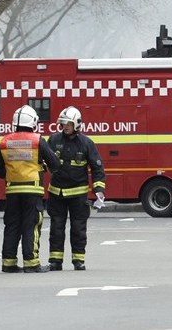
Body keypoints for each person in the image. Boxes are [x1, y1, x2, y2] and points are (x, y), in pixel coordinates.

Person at [0, 105, 61, 273]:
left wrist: (11, 174)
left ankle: (8, 263)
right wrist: (43, 167)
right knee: (31, 226)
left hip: (12, 191)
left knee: (12, 226)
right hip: (32, 191)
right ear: (34, 121)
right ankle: (31, 263)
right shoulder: (38, 140)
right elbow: (55, 164)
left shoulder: (5, 141)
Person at [46, 106, 106, 271]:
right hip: (56, 193)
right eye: (63, 123)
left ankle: (78, 260)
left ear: (77, 124)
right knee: (56, 228)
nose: (65, 126)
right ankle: (55, 261)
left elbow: (97, 168)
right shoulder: (53, 140)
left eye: (68, 123)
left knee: (78, 229)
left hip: (78, 195)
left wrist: (99, 189)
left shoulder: (86, 143)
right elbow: (43, 162)